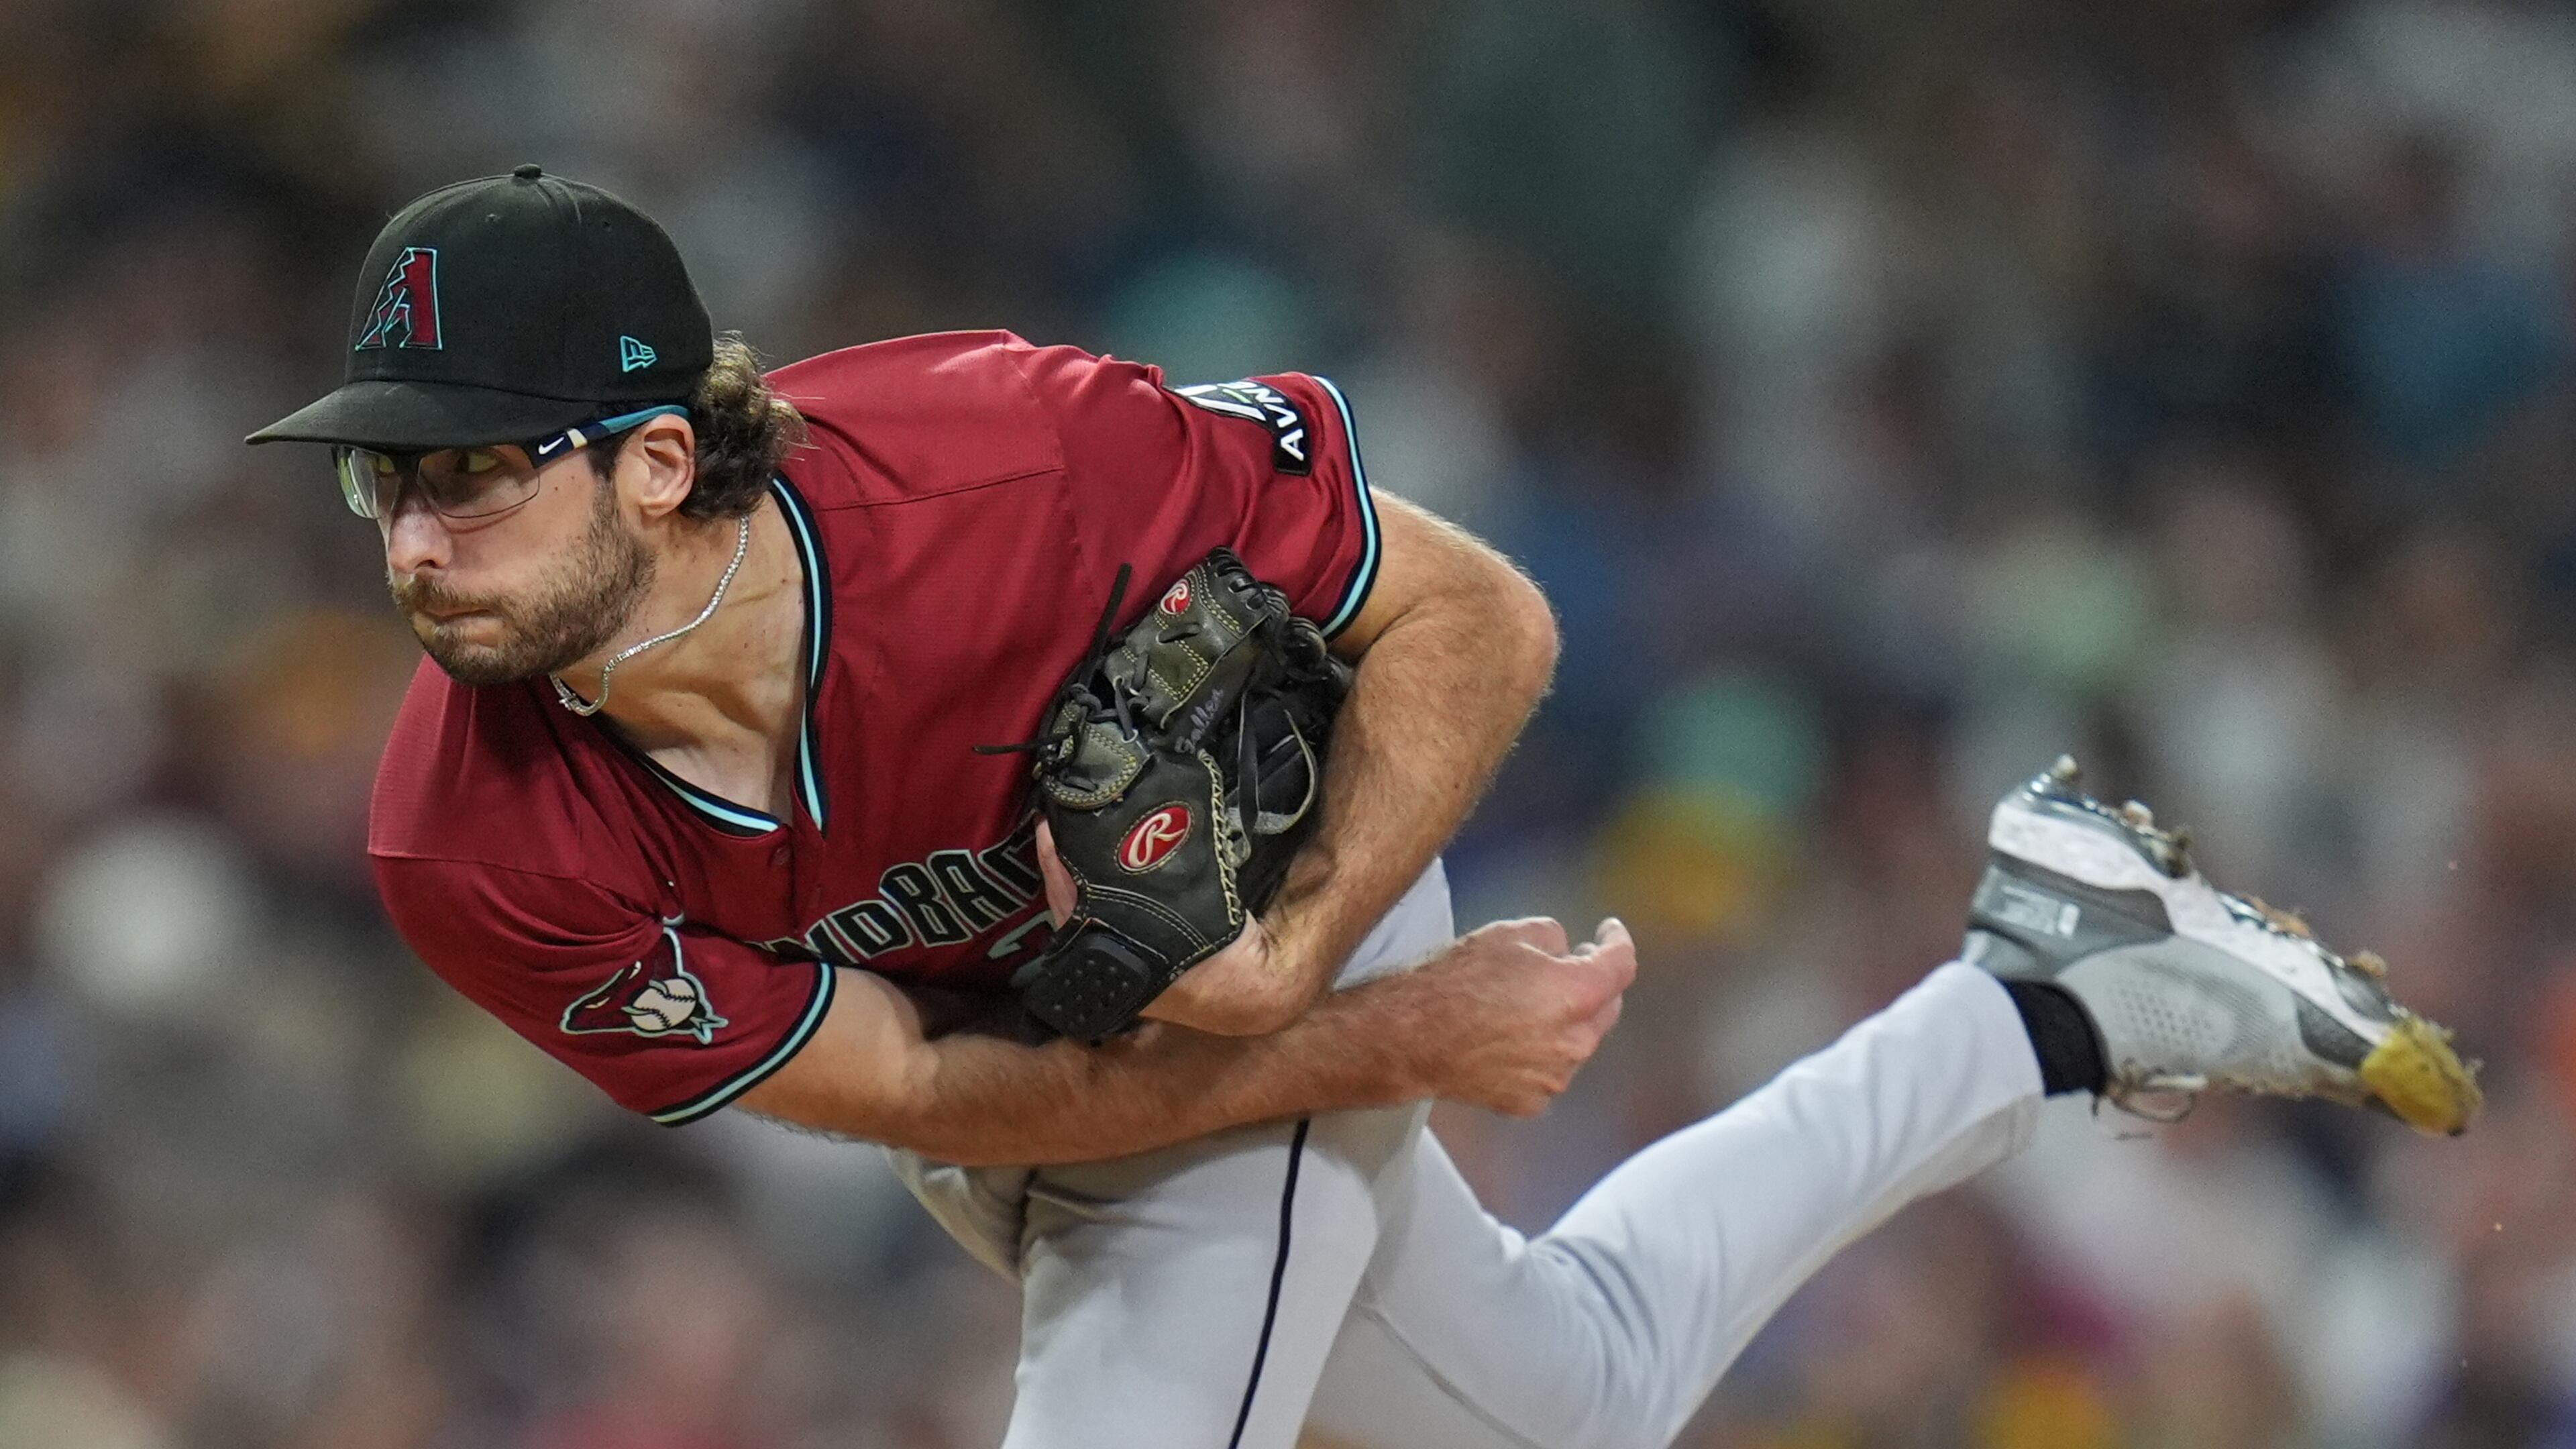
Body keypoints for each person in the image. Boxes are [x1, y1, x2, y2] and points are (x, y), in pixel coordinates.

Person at [247, 168, 2479, 1449]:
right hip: (1050, 1077)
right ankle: (2046, 998)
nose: (410, 537)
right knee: (1575, 1400)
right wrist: (1393, 1051)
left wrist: (1306, 967)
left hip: (1273, 922)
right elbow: (924, 1079)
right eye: (381, 473)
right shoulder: (468, 852)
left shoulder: (1007, 464)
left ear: (654, 461)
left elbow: (1478, 616)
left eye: (463, 470)